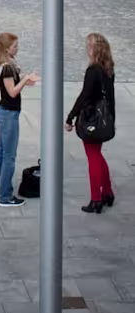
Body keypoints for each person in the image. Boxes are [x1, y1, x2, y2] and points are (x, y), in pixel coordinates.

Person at [66, 32, 116, 214]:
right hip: (103, 119)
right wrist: (111, 119)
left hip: (92, 120)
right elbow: (110, 97)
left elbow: (84, 96)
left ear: (93, 49)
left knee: (93, 157)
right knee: (98, 154)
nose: (86, 49)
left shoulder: (93, 70)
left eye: (88, 45)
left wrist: (70, 116)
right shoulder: (108, 68)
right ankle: (108, 192)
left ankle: (96, 199)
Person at [0, 31, 38, 206]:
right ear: (7, 49)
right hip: (8, 115)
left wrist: (24, 79)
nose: (18, 48)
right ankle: (6, 197)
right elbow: (12, 92)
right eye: (15, 46)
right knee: (9, 156)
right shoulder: (7, 67)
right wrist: (25, 80)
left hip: (3, 112)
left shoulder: (3, 65)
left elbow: (9, 86)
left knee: (0, 152)